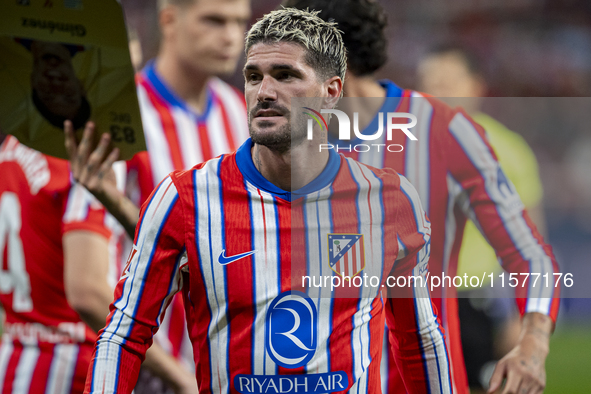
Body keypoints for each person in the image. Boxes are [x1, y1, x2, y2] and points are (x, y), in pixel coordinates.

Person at [75, 8, 452, 394]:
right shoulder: (184, 199)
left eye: (285, 76)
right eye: (254, 77)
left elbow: (418, 337)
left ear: (331, 92)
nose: (265, 92)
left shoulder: (388, 202)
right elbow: (123, 336)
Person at [281, 1, 559, 394]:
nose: (276, 85)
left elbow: (529, 253)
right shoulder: (286, 138)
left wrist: (532, 343)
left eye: (289, 66)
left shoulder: (443, 130)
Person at [0, 130, 197, 394]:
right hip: (71, 369)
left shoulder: (12, 147)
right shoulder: (85, 158)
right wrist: (180, 377)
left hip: (14, 360)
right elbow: (87, 292)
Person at [124, 0, 252, 373]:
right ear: (169, 20)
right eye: (214, 20)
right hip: (152, 366)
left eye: (239, 23)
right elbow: (92, 274)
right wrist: (176, 377)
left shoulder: (239, 113)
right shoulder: (126, 114)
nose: (231, 37)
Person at [417, 43, 547, 393]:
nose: (437, 92)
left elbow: (531, 240)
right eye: (430, 83)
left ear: (476, 87)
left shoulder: (508, 150)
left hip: (471, 303)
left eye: (448, 82)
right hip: (409, 299)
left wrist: (521, 320)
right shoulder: (401, 145)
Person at [29, 40, 91, 130]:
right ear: (81, 86)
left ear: (33, 82)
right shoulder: (95, 36)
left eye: (47, 94)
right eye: (69, 94)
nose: (56, 84)